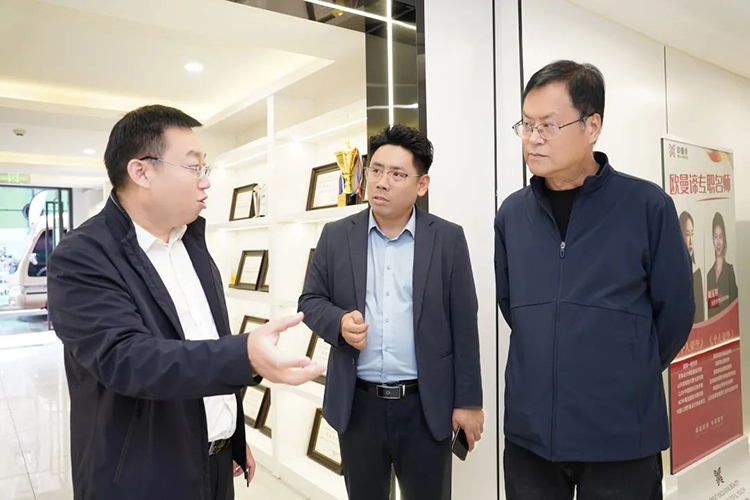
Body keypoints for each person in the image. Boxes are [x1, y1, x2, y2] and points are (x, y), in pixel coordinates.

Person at [47, 105, 324, 500]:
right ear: (141, 172)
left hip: (212, 461)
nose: (206, 181)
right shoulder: (83, 255)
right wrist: (245, 355)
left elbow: (202, 341)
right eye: (194, 167)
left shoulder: (191, 243)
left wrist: (226, 432)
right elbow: (129, 359)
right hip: (140, 477)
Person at [495, 60, 694, 500]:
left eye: (548, 125)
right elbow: (515, 309)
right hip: (531, 439)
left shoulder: (647, 206)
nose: (533, 138)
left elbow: (676, 313)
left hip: (621, 437)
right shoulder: (512, 215)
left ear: (592, 126)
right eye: (526, 125)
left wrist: (627, 369)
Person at [299, 124, 484, 500]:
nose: (382, 182)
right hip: (358, 406)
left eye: (397, 174)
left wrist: (468, 402)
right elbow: (310, 300)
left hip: (425, 406)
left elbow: (464, 323)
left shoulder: (447, 239)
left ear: (422, 184)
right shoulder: (336, 235)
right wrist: (338, 323)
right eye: (377, 170)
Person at [707, 211, 738, 318]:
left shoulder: (729, 270)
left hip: (728, 324)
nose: (718, 242)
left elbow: (734, 304)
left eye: (720, 237)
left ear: (724, 239)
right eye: (715, 237)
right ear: (712, 239)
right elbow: (710, 310)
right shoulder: (709, 275)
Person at [679, 211, 705, 323]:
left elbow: (701, 315)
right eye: (687, 234)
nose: (690, 241)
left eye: (692, 234)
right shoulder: (673, 272)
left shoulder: (697, 271)